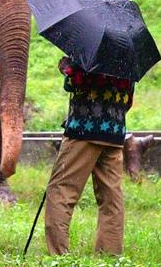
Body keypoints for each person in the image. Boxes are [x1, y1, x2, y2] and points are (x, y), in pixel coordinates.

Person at [44, 56, 135, 255]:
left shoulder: (88, 52)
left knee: (61, 191)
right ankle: (109, 257)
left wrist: (66, 67)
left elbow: (75, 82)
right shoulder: (128, 58)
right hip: (114, 134)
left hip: (83, 133)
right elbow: (129, 101)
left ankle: (58, 257)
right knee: (111, 198)